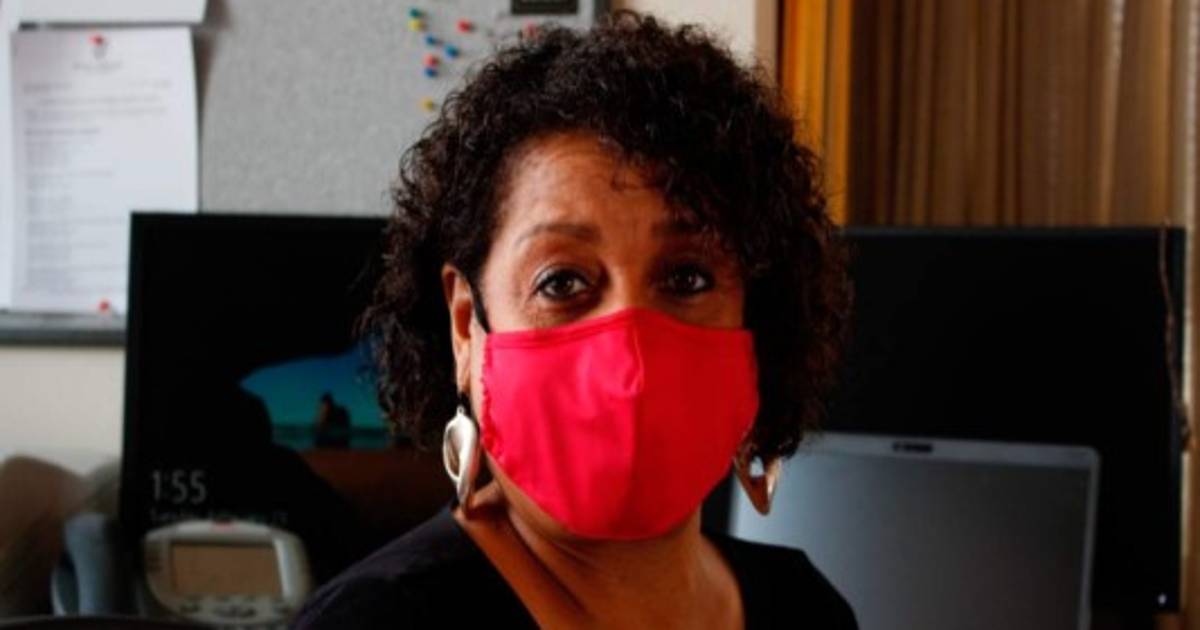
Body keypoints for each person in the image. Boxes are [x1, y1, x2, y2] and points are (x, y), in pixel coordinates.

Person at [294, 11, 855, 629]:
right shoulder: (377, 622)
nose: (631, 363)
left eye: (687, 279)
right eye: (561, 283)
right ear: (465, 325)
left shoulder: (805, 608)